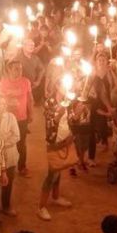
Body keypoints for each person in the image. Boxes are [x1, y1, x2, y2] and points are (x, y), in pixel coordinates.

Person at [37, 83, 73, 221]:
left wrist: (79, 112)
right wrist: (58, 116)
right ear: (58, 85)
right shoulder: (50, 102)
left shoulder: (67, 101)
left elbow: (72, 119)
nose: (67, 87)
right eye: (64, 85)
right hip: (54, 141)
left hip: (65, 139)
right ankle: (41, 207)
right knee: (52, 174)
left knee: (60, 169)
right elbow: (49, 123)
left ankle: (56, 197)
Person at [0, 60, 33, 177]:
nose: (19, 71)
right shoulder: (3, 83)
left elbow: (30, 99)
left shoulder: (25, 82)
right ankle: (3, 165)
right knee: (5, 141)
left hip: (21, 117)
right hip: (7, 119)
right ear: (9, 70)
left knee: (21, 143)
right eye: (16, 69)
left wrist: (31, 113)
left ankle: (22, 166)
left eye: (20, 69)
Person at [0, 95, 21, 217]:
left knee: (8, 182)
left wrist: (0, 143)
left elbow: (16, 136)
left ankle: (6, 206)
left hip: (9, 156)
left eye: (2, 104)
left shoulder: (11, 117)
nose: (0, 106)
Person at [16, 38, 46, 104]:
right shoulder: (17, 58)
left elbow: (42, 69)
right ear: (23, 46)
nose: (32, 47)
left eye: (33, 45)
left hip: (32, 87)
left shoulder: (35, 58)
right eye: (29, 45)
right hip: (21, 88)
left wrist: (38, 81)